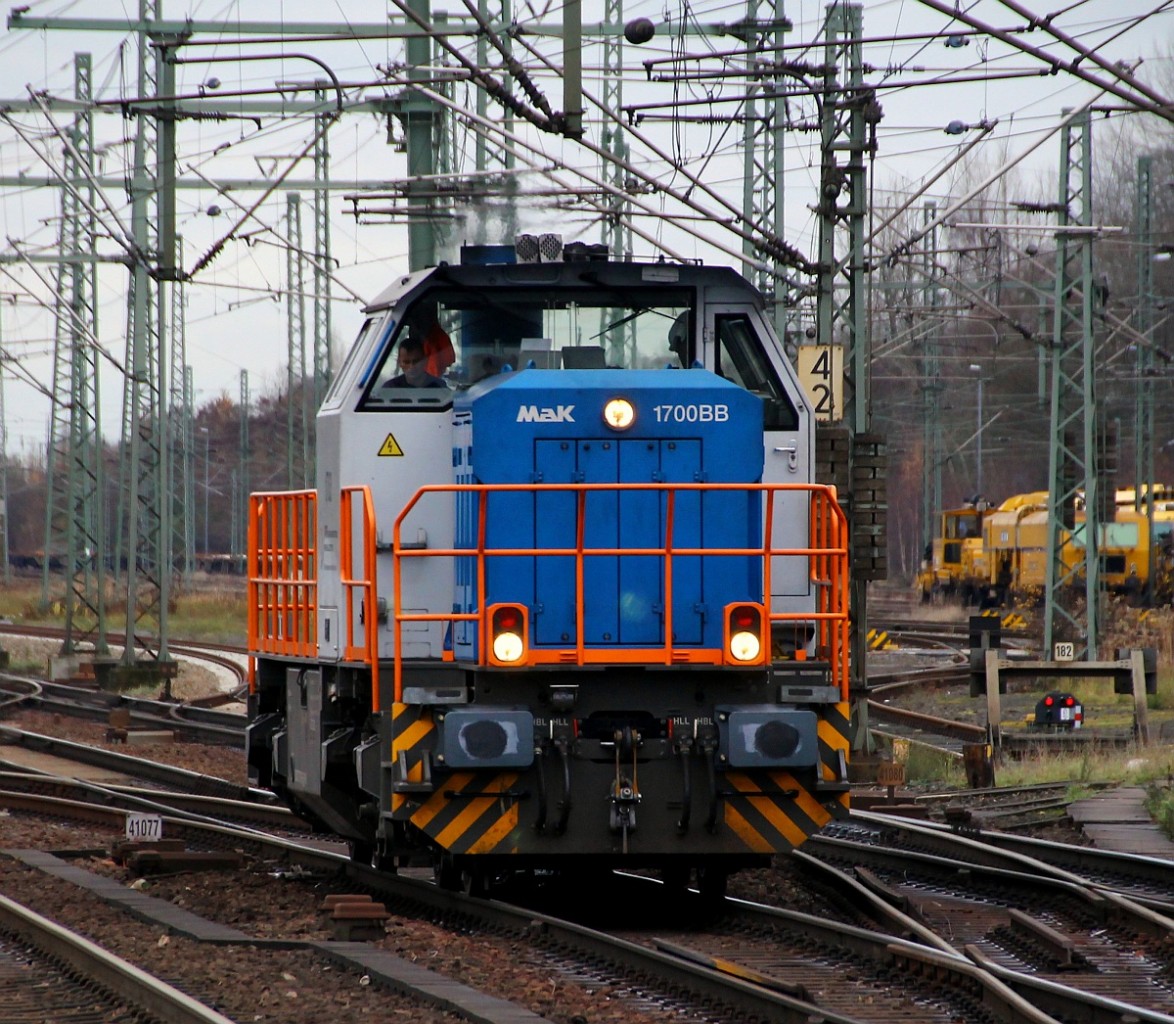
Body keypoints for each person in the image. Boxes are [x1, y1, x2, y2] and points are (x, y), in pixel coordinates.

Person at [383, 335, 448, 388]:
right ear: (399, 363)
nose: (412, 366)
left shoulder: (439, 386)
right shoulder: (390, 388)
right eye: (406, 362)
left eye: (416, 361)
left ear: (425, 361)